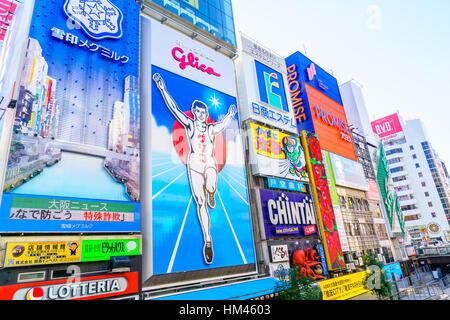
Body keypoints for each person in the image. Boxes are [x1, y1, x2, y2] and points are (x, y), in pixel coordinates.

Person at [153, 73, 237, 264]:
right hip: (194, 165)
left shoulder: (210, 128)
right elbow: (173, 109)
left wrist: (231, 114)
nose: (200, 115)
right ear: (194, 112)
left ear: (206, 114)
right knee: (200, 203)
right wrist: (162, 88)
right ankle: (208, 241)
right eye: (197, 112)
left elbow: (223, 124)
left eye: (203, 112)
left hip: (209, 163)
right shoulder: (189, 125)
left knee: (211, 185)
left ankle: (212, 192)